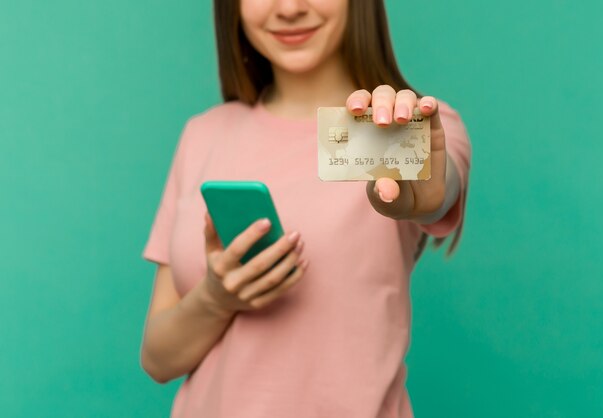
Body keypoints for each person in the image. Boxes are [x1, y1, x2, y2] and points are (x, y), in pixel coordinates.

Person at [139, 0, 471, 417]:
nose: (290, 8)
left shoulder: (399, 128)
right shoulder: (204, 134)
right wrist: (216, 298)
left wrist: (424, 193)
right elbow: (157, 358)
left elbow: (437, 187)